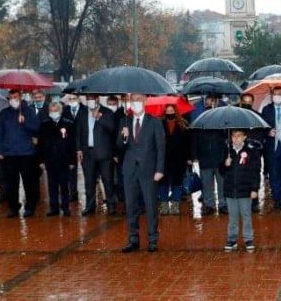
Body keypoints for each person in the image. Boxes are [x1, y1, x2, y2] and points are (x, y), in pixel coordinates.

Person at [120, 93, 166, 253]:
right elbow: (119, 145)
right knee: (131, 206)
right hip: (130, 170)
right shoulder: (124, 121)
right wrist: (124, 137)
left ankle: (152, 240)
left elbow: (161, 148)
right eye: (133, 100)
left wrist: (159, 170)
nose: (136, 103)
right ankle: (133, 240)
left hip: (149, 170)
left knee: (150, 205)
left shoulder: (155, 122)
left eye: (139, 100)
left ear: (145, 101)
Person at [0, 89, 41, 218]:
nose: (13, 100)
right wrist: (0, 150)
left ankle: (30, 206)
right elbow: (0, 133)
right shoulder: (4, 114)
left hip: (26, 153)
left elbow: (37, 128)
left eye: (15, 97)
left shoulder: (29, 111)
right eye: (10, 98)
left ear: (20, 97)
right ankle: (13, 207)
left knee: (29, 183)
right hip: (10, 153)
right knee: (11, 183)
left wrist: (25, 122)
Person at [76, 94, 118, 216]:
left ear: (97, 100)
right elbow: (78, 132)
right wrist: (78, 149)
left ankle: (111, 206)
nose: (90, 101)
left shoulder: (107, 112)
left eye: (92, 99)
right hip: (88, 153)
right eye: (88, 99)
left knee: (108, 180)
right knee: (89, 181)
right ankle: (90, 206)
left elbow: (112, 129)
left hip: (104, 153)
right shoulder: (82, 113)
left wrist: (100, 118)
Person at [221, 129, 261, 251]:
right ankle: (232, 239)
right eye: (234, 136)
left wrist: (255, 188)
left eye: (239, 136)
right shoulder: (227, 151)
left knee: (246, 215)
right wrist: (225, 165)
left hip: (246, 189)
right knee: (233, 216)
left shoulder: (251, 151)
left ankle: (248, 238)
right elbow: (221, 172)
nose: (236, 138)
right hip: (230, 189)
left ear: (244, 137)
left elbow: (255, 171)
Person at [38, 101, 76, 216]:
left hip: (64, 160)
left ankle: (65, 207)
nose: (53, 113)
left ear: (60, 111)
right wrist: (41, 160)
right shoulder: (44, 124)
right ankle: (53, 207)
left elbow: (72, 144)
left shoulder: (68, 124)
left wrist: (72, 161)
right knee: (52, 185)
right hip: (50, 160)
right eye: (52, 111)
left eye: (56, 110)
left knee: (64, 185)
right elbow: (41, 144)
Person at [195, 96, 228, 215]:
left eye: (212, 102)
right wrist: (194, 155)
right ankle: (209, 205)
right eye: (208, 103)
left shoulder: (223, 119)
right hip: (205, 158)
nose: (210, 105)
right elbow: (195, 138)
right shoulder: (199, 120)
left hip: (220, 157)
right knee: (206, 184)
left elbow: (227, 137)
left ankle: (223, 204)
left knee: (222, 183)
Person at [160, 103, 193, 215]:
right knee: (163, 182)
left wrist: (189, 157)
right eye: (167, 111)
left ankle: (175, 205)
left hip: (179, 159)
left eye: (171, 111)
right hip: (163, 158)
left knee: (177, 182)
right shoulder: (159, 124)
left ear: (176, 111)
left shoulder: (183, 124)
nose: (170, 113)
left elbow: (189, 143)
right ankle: (164, 205)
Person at [62, 93, 84, 202]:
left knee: (87, 169)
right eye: (70, 99)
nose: (72, 100)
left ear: (79, 99)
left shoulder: (85, 109)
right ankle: (73, 192)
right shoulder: (65, 110)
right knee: (71, 169)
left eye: (74, 98)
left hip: (84, 144)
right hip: (69, 144)